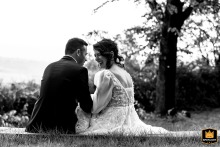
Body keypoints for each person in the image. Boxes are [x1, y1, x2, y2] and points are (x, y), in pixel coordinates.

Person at [75, 39, 169, 136]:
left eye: (99, 55)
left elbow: (96, 108)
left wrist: (88, 98)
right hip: (130, 122)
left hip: (112, 122)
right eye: (95, 55)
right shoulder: (126, 74)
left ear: (110, 54)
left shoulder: (106, 75)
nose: (96, 58)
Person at [25, 38, 93, 134]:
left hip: (37, 123)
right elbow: (86, 105)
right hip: (61, 125)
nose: (86, 59)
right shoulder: (80, 70)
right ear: (78, 52)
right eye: (85, 54)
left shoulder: (49, 67)